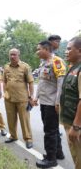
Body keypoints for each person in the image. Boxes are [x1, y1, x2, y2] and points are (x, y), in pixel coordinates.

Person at [34, 40, 65, 168]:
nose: (37, 52)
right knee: (54, 129)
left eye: (39, 49)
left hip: (52, 103)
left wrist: (57, 102)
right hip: (44, 101)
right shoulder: (43, 62)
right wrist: (36, 97)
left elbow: (61, 83)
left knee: (49, 131)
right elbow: (41, 82)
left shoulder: (56, 61)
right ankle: (58, 153)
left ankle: (51, 159)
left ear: (46, 49)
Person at [3, 48, 34, 149]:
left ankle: (28, 139)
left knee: (24, 120)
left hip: (22, 99)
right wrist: (5, 92)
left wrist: (31, 96)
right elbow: (4, 81)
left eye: (14, 55)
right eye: (11, 54)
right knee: (11, 119)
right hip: (9, 99)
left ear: (18, 55)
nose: (12, 56)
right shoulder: (6, 67)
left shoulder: (25, 67)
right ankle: (13, 136)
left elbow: (30, 82)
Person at [60, 36, 81, 169]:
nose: (66, 52)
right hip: (70, 120)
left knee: (79, 158)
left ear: (79, 51)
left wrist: (76, 126)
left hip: (76, 125)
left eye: (69, 49)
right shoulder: (73, 67)